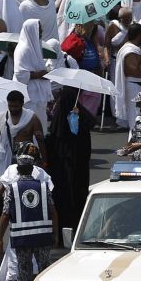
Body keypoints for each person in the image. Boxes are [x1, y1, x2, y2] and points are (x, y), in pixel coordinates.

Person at [0, 154, 57, 281]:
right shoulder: (43, 186)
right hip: (43, 236)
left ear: (18, 169)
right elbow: (53, 211)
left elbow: (5, 215)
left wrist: (0, 239)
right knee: (44, 270)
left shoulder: (12, 188)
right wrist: (55, 235)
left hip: (22, 238)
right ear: (32, 169)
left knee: (23, 271)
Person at [46, 86, 94, 231]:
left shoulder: (59, 121)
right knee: (77, 200)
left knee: (62, 200)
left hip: (61, 173)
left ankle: (60, 231)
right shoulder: (82, 119)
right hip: (77, 171)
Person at [0, 90, 44, 177]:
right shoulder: (1, 117)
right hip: (6, 158)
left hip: (26, 161)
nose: (13, 109)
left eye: (16, 106)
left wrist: (44, 162)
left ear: (22, 104)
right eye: (10, 106)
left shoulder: (32, 118)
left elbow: (41, 141)